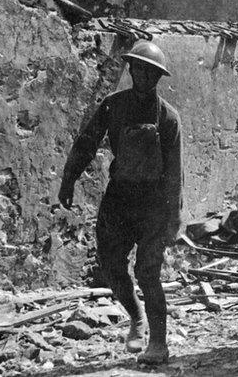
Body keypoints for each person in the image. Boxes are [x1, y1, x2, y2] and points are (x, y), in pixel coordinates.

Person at [57, 40, 182, 364]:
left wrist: (173, 217)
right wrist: (68, 179)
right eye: (139, 69)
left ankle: (158, 342)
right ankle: (136, 316)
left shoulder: (168, 118)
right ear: (131, 70)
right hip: (120, 197)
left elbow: (174, 174)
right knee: (111, 266)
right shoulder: (113, 105)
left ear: (157, 77)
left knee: (148, 272)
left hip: (153, 202)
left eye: (151, 72)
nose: (144, 77)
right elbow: (87, 143)